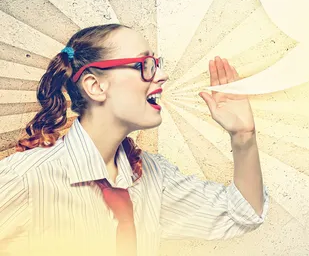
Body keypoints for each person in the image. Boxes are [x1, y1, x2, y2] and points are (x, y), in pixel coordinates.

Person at [0, 23, 269, 256]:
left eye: (157, 64)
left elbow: (242, 214)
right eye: (145, 65)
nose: (161, 75)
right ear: (95, 86)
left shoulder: (153, 177)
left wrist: (243, 137)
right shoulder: (25, 178)